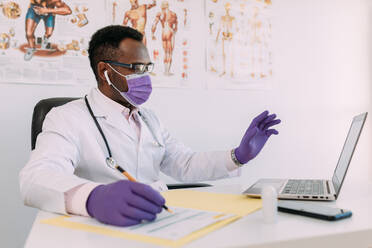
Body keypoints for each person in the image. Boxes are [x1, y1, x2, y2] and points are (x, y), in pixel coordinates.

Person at [19, 25, 281, 227]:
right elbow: (34, 179)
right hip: (98, 228)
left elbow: (183, 163)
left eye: (147, 67)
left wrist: (238, 156)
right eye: (136, 67)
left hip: (156, 222)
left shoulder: (148, 118)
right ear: (104, 71)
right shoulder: (66, 117)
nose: (145, 76)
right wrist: (93, 198)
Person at [151, 1, 177, 76]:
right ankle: (167, 71)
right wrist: (173, 32)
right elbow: (175, 28)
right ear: (168, 6)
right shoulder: (173, 14)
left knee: (165, 52)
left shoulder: (159, 14)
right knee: (170, 53)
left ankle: (165, 71)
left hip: (163, 32)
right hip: (170, 31)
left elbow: (154, 24)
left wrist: (152, 34)